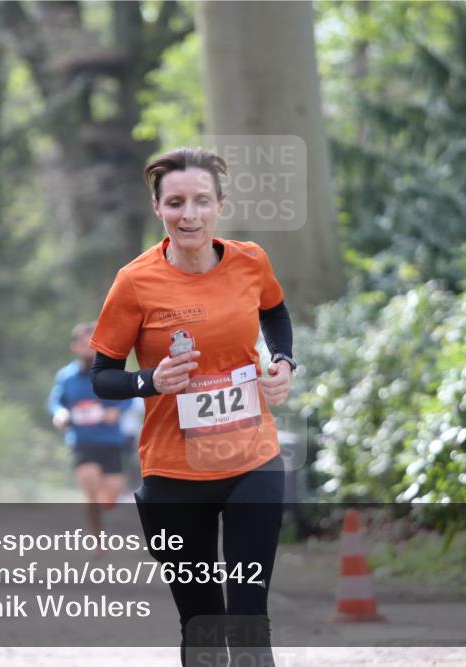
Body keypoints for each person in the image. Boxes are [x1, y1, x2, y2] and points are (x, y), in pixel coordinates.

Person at [89, 147, 297, 666]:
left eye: (202, 201)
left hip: (253, 458)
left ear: (220, 205)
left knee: (250, 619)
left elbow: (275, 311)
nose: (190, 214)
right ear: (158, 208)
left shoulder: (251, 261)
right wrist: (149, 381)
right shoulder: (134, 282)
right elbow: (103, 377)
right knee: (202, 623)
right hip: (174, 471)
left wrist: (285, 362)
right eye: (176, 202)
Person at [48, 321, 133, 539]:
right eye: (83, 342)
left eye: (92, 342)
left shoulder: (111, 371)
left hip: (111, 440)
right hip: (82, 441)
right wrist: (60, 414)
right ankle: (97, 539)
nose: (88, 347)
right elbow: (56, 402)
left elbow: (128, 395)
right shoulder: (65, 377)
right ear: (74, 347)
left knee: (112, 490)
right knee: (90, 485)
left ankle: (105, 507)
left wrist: (117, 409)